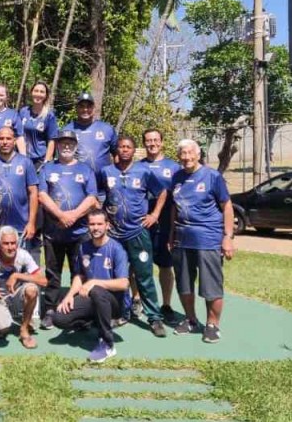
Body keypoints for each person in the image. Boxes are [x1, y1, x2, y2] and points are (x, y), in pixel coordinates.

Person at [98, 136, 167, 338]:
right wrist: (104, 218)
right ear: (116, 151)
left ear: (133, 150)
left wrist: (154, 215)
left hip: (138, 233)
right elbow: (98, 196)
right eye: (121, 147)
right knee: (117, 277)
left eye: (128, 147)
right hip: (114, 235)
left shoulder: (143, 171)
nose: (124, 150)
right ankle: (121, 312)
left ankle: (154, 318)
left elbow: (162, 192)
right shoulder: (106, 172)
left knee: (144, 276)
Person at [170, 139, 235, 343]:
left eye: (190, 153)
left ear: (198, 155)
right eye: (183, 153)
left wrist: (228, 237)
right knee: (184, 285)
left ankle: (212, 325)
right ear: (179, 156)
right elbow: (174, 207)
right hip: (182, 240)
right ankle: (190, 320)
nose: (187, 157)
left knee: (211, 286)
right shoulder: (177, 177)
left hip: (208, 240)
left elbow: (227, 206)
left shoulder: (212, 176)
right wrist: (172, 234)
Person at [38, 130, 99, 329]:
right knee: (53, 274)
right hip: (53, 232)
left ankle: (79, 312)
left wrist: (73, 215)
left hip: (80, 233)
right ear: (56, 145)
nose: (66, 146)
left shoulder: (85, 169)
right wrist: (60, 215)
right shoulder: (48, 168)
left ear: (75, 145)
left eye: (70, 143)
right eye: (62, 142)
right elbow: (42, 195)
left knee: (80, 273)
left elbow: (92, 198)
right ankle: (50, 309)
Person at [53, 210, 129, 363]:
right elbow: (80, 276)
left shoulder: (116, 249)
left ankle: (108, 344)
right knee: (59, 318)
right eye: (92, 224)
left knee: (96, 290)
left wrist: (94, 282)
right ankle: (91, 322)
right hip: (93, 298)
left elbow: (124, 283)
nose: (95, 228)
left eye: (99, 224)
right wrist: (69, 296)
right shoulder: (83, 247)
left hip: (114, 303)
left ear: (107, 225)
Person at [0, 226, 47, 349]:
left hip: (14, 296)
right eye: (6, 243)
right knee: (3, 328)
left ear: (17, 243)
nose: (10, 247)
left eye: (13, 243)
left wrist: (16, 275)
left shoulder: (23, 255)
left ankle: (24, 330)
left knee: (32, 289)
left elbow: (43, 281)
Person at [0, 126, 39, 261]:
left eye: (8, 138)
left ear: (15, 141)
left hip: (21, 228)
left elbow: (33, 193)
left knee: (19, 270)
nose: (5, 142)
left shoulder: (26, 163)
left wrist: (32, 222)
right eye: (1, 138)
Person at [140, 129, 181, 322]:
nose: (152, 143)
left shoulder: (173, 167)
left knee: (165, 265)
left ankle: (166, 304)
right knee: (138, 263)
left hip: (165, 224)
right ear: (144, 144)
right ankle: (136, 300)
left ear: (162, 142)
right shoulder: (137, 166)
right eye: (148, 140)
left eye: (156, 140)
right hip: (141, 223)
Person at [62, 93, 117, 184]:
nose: (85, 110)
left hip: (103, 187)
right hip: (77, 185)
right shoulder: (67, 130)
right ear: (76, 108)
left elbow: (117, 155)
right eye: (82, 106)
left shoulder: (107, 129)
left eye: (89, 106)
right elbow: (62, 159)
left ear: (94, 108)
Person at [19, 81, 58, 170]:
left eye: (42, 92)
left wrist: (47, 161)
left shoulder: (49, 115)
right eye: (36, 91)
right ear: (31, 92)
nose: (38, 94)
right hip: (23, 158)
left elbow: (52, 140)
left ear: (46, 95)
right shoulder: (23, 112)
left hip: (39, 160)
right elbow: (17, 135)